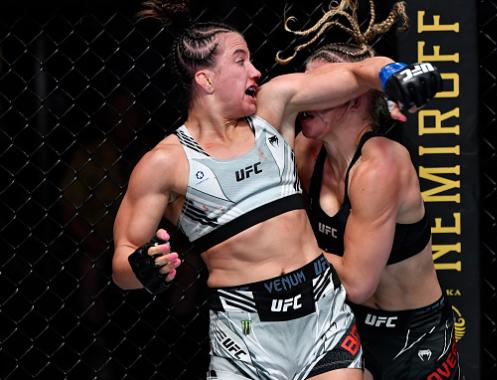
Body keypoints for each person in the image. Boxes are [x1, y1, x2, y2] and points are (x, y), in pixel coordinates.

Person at [111, 1, 437, 379]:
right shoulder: (165, 163)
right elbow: (122, 261)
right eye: (241, 61)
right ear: (206, 80)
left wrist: (395, 74)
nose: (256, 70)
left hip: (323, 316)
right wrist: (142, 269)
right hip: (246, 333)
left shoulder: (272, 108)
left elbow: (353, 74)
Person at [284, 1, 463, 379]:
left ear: (353, 98)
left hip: (412, 338)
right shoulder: (306, 150)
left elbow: (357, 282)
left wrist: (282, 248)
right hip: (343, 324)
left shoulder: (382, 163)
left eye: (315, 89)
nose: (301, 99)